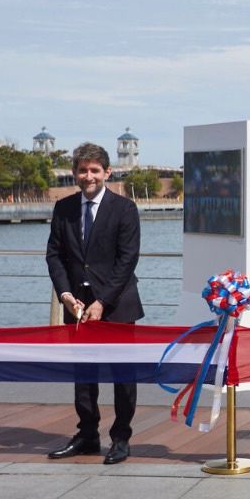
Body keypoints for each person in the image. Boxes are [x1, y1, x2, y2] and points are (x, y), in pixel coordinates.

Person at [46, 143, 144, 464]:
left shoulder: (125, 209)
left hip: (117, 305)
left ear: (107, 173)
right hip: (76, 305)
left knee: (122, 376)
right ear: (74, 173)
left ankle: (121, 438)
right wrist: (64, 294)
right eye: (82, 170)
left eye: (94, 170)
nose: (88, 176)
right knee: (83, 374)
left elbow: (127, 260)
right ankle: (88, 434)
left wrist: (103, 301)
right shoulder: (64, 208)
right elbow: (55, 256)